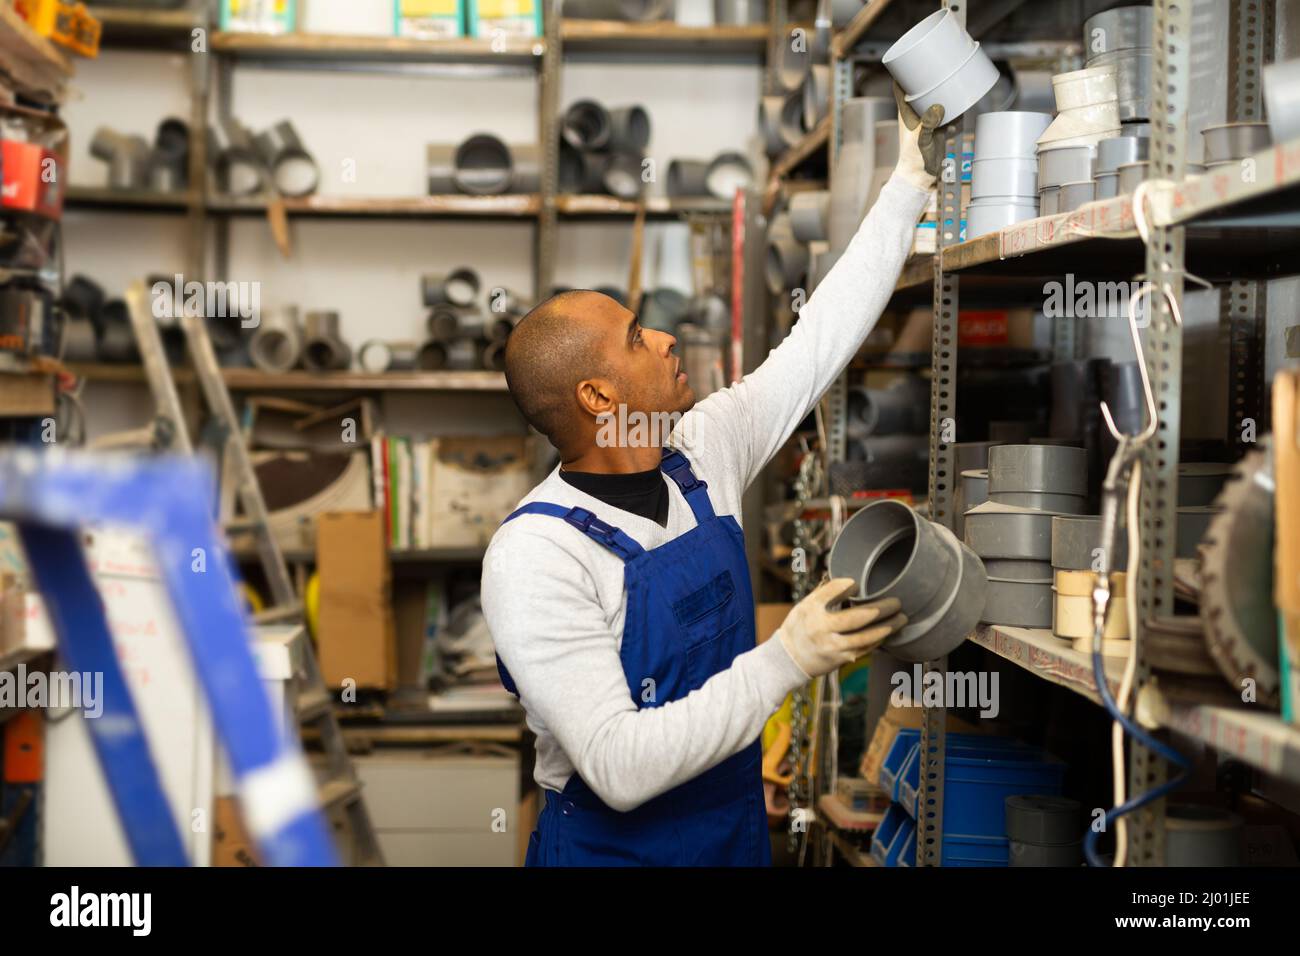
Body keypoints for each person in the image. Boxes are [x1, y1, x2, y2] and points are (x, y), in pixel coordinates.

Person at [481, 91, 945, 866]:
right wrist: (787, 658)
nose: (664, 338)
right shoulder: (537, 557)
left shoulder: (701, 450)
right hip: (611, 851)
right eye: (636, 338)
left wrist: (906, 188)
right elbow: (619, 765)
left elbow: (816, 345)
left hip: (730, 834)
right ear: (598, 398)